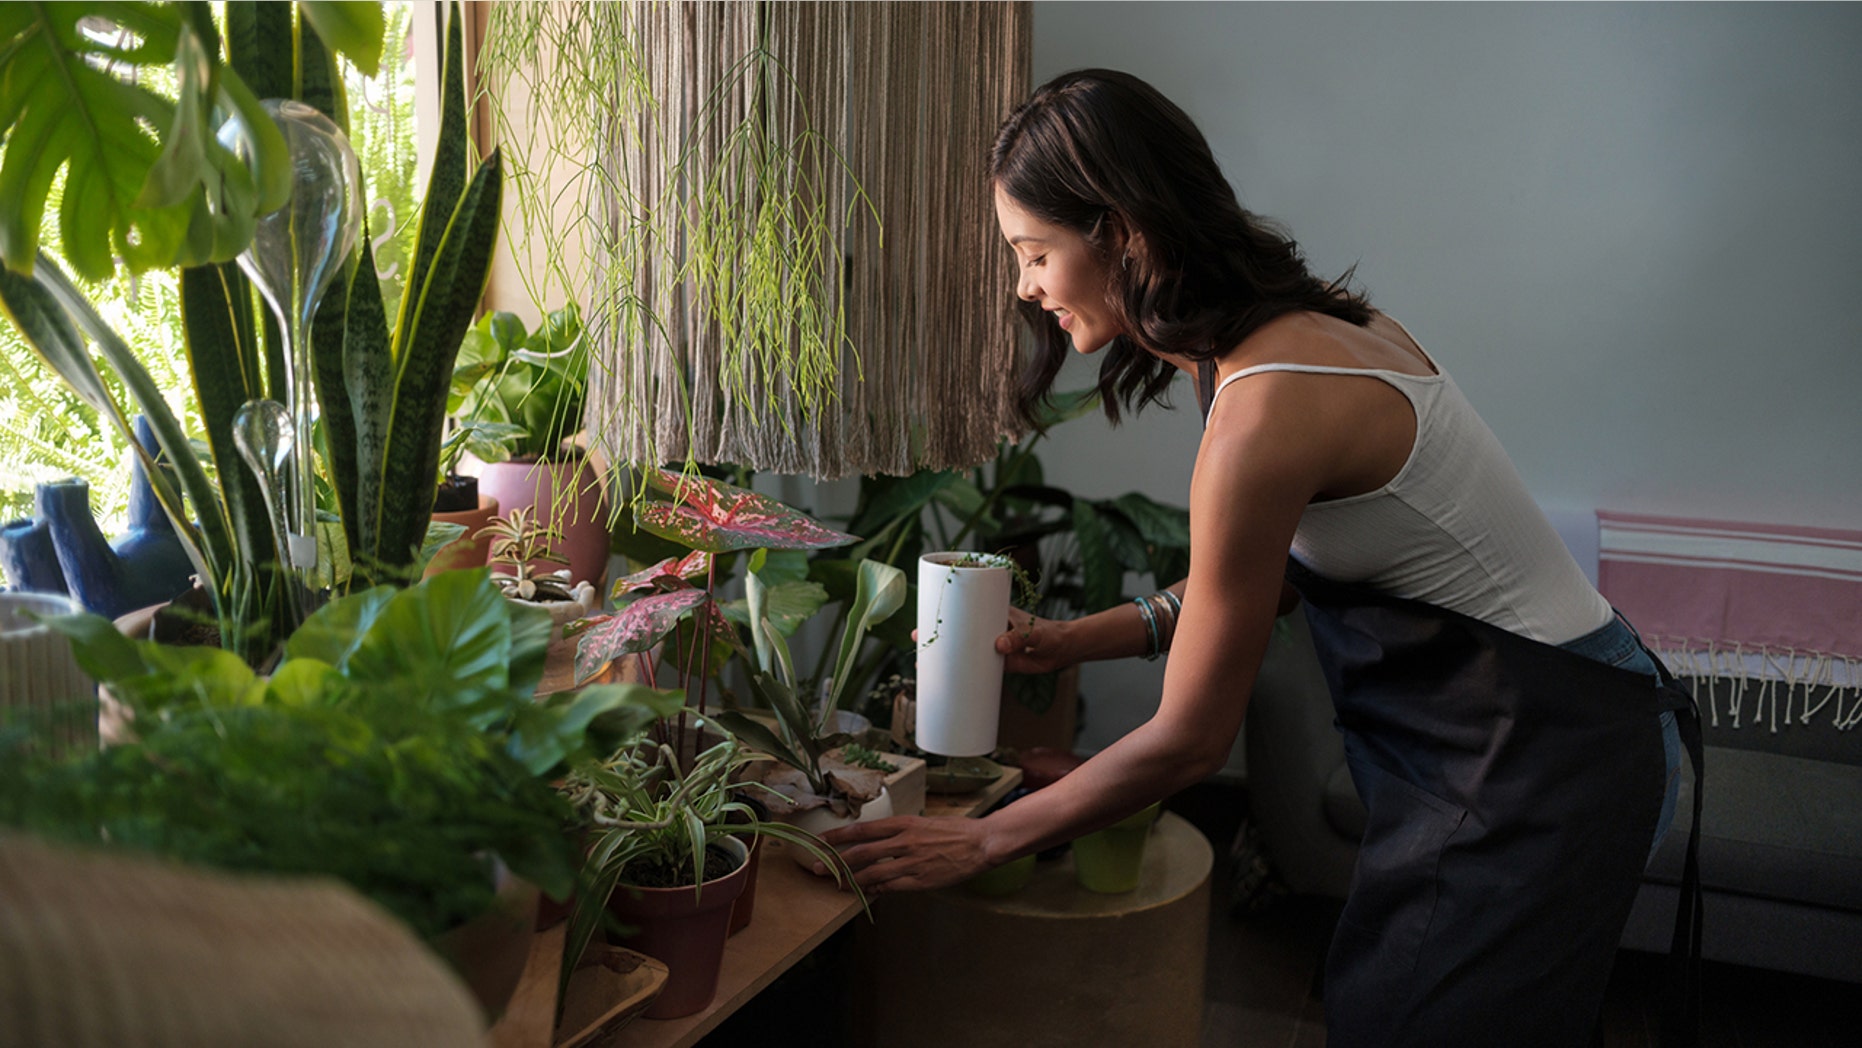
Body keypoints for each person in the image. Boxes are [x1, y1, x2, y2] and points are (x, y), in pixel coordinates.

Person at [820, 69, 1698, 1046]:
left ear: (1124, 231)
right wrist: (1075, 640)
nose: (1023, 284)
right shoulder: (1286, 337)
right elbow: (1273, 577)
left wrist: (982, 835)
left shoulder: (1262, 408)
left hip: (1549, 752)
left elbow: (1190, 742)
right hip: (1544, 726)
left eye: (1032, 252)